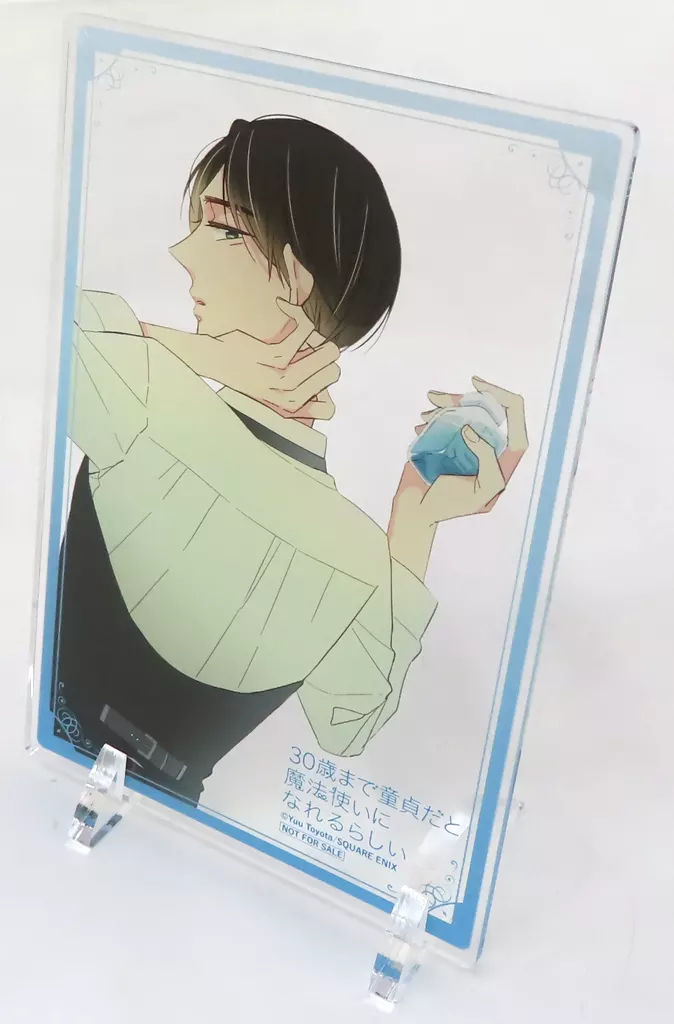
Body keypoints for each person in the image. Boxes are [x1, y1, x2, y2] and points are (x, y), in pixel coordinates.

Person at [51, 115, 528, 805]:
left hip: (40, 768)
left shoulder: (147, 401)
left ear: (294, 279)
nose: (183, 252)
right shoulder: (360, 555)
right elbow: (347, 723)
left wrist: (199, 355)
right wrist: (413, 523)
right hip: (164, 823)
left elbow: (43, 321)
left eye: (220, 228)